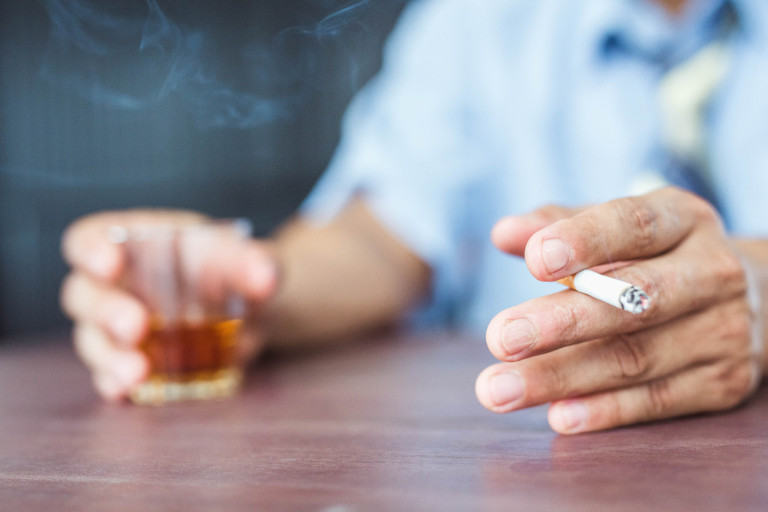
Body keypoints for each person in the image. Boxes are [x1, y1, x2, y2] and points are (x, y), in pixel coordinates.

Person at [60, 0, 768, 434]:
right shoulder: (476, 20)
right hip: (540, 457)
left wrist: (756, 285)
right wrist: (251, 288)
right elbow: (385, 237)